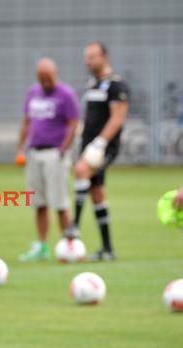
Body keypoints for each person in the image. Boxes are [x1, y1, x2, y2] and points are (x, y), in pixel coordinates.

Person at [65, 42, 130, 261]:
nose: (87, 61)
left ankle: (74, 225)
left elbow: (118, 117)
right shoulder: (92, 84)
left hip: (104, 146)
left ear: (105, 57)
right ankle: (107, 249)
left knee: (81, 170)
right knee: (98, 195)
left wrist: (100, 143)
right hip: (87, 144)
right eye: (86, 57)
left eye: (92, 57)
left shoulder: (116, 86)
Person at [16, 58, 80, 261]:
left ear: (56, 74)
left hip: (55, 153)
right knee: (39, 203)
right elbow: (26, 122)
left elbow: (73, 123)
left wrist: (64, 149)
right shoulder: (33, 93)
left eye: (48, 77)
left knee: (60, 203)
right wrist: (20, 147)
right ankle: (42, 246)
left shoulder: (66, 94)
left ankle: (68, 245)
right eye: (41, 77)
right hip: (34, 152)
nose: (45, 81)